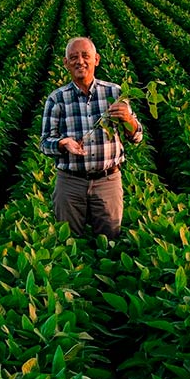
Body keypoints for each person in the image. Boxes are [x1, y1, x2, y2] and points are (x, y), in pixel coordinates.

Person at [40, 37, 142, 239]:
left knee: (110, 241)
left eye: (85, 56)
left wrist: (128, 119)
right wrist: (62, 143)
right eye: (73, 57)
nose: (80, 61)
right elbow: (44, 143)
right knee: (67, 243)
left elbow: (137, 137)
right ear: (66, 63)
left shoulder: (115, 93)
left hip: (108, 181)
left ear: (97, 59)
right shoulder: (56, 99)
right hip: (70, 183)